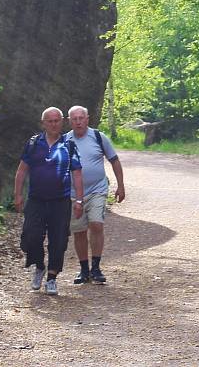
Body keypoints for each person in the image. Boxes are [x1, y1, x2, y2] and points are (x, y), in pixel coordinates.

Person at [15, 107, 84, 295]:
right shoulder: (33, 144)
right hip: (36, 199)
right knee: (31, 235)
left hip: (60, 201)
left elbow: (77, 173)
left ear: (62, 122)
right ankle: (39, 265)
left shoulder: (68, 145)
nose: (54, 124)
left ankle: (52, 277)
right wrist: (18, 195)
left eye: (57, 121)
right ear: (43, 123)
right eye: (50, 121)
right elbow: (22, 170)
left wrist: (79, 200)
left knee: (59, 240)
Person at [65, 105, 125, 285]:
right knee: (79, 231)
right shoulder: (65, 140)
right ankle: (84, 269)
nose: (78, 122)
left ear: (87, 119)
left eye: (81, 118)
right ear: (69, 121)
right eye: (74, 119)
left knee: (96, 224)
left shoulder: (99, 137)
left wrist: (120, 186)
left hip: (97, 190)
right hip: (73, 194)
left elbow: (114, 160)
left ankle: (96, 267)